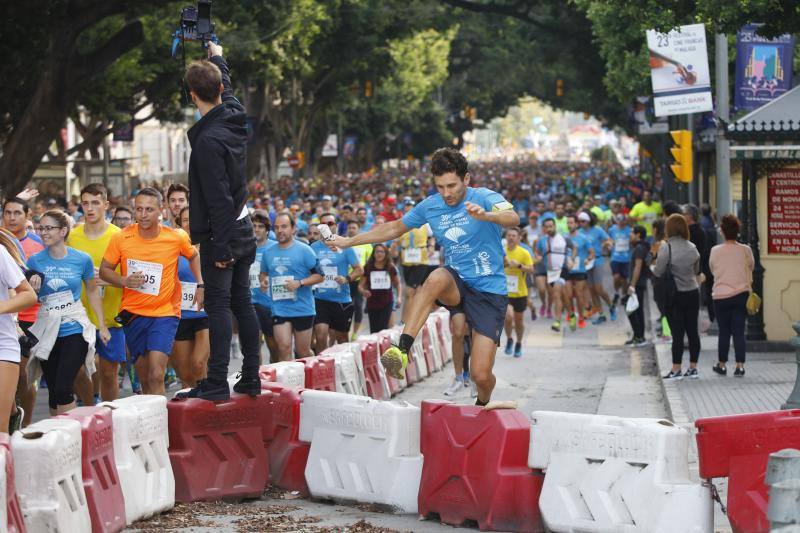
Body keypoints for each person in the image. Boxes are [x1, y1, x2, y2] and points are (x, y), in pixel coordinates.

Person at [325, 148, 518, 406]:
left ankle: (483, 404)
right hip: (458, 282)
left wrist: (488, 215)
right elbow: (394, 227)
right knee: (436, 277)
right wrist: (350, 241)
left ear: (467, 179)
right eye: (440, 187)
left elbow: (513, 217)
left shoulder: (483, 197)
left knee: (481, 375)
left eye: (452, 185)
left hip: (489, 289)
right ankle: (402, 350)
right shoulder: (431, 206)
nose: (447, 193)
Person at [183, 41, 262, 400]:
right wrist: (217, 55)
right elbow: (226, 83)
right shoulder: (234, 112)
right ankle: (250, 376)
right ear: (217, 90)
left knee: (218, 306)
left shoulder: (207, 142)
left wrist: (223, 248)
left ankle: (217, 381)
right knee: (242, 302)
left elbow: (218, 200)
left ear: (190, 95)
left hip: (224, 232)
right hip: (244, 227)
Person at [100, 188, 203, 396]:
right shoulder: (121, 238)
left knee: (157, 373)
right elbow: (104, 270)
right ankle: (152, 420)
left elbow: (193, 256)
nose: (143, 214)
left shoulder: (175, 237)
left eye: (149, 209)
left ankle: (163, 425)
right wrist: (123, 280)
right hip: (134, 313)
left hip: (165, 313)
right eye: (139, 209)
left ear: (161, 211)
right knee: (144, 375)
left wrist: (200, 284)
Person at [27, 210, 110, 415]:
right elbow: (29, 297)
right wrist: (33, 289)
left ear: (63, 231)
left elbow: (91, 290)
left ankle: (75, 435)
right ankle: (58, 441)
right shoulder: (34, 261)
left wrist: (102, 325)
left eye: (49, 228)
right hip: (48, 328)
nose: (44, 232)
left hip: (74, 326)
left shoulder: (82, 259)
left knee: (65, 387)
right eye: (41, 228)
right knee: (55, 389)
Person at [67, 184, 126, 401]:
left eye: (95, 203)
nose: (90, 208)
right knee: (75, 370)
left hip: (110, 317)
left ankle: (110, 417)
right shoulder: (72, 237)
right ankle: (92, 408)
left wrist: (107, 280)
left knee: (109, 374)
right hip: (78, 317)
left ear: (106, 205)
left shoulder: (119, 236)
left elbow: (129, 280)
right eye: (85, 203)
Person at [3, 197, 44, 425]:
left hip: (24, 321)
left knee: (23, 375)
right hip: (14, 318)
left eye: (17, 213)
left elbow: (28, 292)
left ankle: (22, 421)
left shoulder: (7, 250)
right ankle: (12, 414)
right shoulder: (5, 241)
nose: (11, 218)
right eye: (7, 213)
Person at [260, 213, 323, 360]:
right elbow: (263, 274)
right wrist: (264, 281)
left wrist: (299, 283)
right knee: (283, 348)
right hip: (279, 308)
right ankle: (290, 382)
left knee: (303, 352)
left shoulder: (305, 250)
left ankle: (311, 375)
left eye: (284, 226)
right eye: (277, 227)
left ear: (293, 228)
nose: (280, 230)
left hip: (303, 308)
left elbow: (320, 276)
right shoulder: (268, 253)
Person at [655, 214, 701, 380]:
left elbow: (658, 271)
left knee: (677, 333)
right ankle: (694, 368)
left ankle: (676, 369)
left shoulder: (666, 248)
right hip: (692, 292)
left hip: (675, 295)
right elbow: (696, 271)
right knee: (693, 332)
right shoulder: (692, 247)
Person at [0, 231, 37, 433]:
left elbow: (28, 295)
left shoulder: (0, 253)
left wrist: (1, 307)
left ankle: (11, 415)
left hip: (2, 345)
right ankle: (13, 410)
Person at [709, 215, 754, 377]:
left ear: (722, 231)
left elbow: (713, 268)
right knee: (739, 331)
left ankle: (721, 364)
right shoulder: (745, 250)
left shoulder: (715, 251)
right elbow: (752, 266)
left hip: (720, 296)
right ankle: (740, 365)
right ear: (737, 231)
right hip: (741, 294)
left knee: (724, 331)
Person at [311, 213, 362, 349]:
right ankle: (322, 367)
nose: (327, 227)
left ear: (336, 226)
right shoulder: (313, 247)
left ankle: (344, 368)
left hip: (341, 300)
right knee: (321, 336)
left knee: (342, 340)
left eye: (330, 223)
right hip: (320, 299)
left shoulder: (345, 245)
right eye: (323, 224)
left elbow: (359, 270)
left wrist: (346, 278)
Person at [172, 207, 210, 387]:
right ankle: (191, 409)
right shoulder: (172, 248)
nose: (189, 224)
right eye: (185, 220)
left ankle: (206, 405)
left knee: (198, 364)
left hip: (205, 314)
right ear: (179, 224)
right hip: (181, 314)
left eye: (193, 219)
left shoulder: (211, 246)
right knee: (186, 374)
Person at [534, 217, 574, 332]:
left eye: (551, 226)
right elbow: (537, 252)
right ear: (544, 228)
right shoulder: (542, 240)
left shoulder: (564, 237)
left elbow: (572, 248)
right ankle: (571, 314)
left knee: (556, 294)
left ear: (555, 226)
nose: (549, 228)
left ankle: (557, 321)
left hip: (563, 268)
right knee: (563, 295)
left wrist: (571, 259)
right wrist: (537, 258)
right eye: (546, 227)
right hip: (551, 271)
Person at [251, 211, 279, 363]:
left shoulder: (275, 248)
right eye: (254, 226)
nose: (256, 229)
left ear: (267, 230)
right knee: (253, 346)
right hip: (249, 303)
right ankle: (258, 378)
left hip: (270, 304)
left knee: (273, 345)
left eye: (260, 226)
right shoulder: (245, 247)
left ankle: (274, 373)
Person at [502, 226, 533, 357]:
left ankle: (519, 342)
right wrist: (505, 264)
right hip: (505, 292)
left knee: (519, 321)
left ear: (519, 238)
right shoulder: (502, 251)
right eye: (509, 235)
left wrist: (519, 266)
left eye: (514, 236)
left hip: (520, 292)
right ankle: (509, 339)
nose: (511, 238)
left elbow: (531, 270)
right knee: (508, 318)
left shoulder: (524, 253)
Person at [359, 244, 400, 333]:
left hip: (387, 302)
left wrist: (399, 297)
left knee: (383, 328)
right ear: (374, 254)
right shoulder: (368, 267)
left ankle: (384, 346)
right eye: (377, 252)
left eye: (382, 252)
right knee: (374, 330)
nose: (379, 254)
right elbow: (360, 286)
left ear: (386, 254)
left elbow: (397, 284)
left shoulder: (391, 267)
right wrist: (363, 291)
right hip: (372, 303)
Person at [396, 222, 430, 325]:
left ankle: (404, 321)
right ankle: (417, 316)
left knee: (409, 291)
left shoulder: (425, 224)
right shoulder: (403, 223)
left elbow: (432, 236)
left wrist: (432, 245)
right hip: (406, 261)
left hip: (420, 261)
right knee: (416, 291)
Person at [565, 215, 594, 331]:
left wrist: (588, 259)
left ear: (576, 224)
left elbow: (592, 253)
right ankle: (571, 314)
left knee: (579, 294)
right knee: (567, 295)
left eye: (571, 223)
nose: (569, 225)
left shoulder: (583, 238)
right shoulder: (564, 237)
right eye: (568, 223)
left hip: (580, 269)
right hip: (567, 269)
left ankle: (581, 317)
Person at [625, 225, 650, 347]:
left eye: (632, 233)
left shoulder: (640, 248)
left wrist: (632, 285)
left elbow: (638, 267)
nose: (630, 235)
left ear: (638, 234)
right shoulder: (642, 246)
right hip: (639, 283)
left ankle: (640, 337)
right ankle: (637, 336)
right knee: (635, 310)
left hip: (638, 284)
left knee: (634, 311)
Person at [346, 220, 371, 339]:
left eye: (354, 227)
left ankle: (355, 334)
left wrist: (366, 280)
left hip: (359, 280)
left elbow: (369, 262)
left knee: (358, 307)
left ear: (358, 229)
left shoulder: (366, 244)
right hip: (345, 280)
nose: (351, 229)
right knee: (347, 307)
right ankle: (345, 331)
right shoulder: (343, 242)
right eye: (349, 227)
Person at [608, 214, 632, 307]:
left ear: (625, 221)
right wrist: (609, 245)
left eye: (623, 221)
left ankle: (624, 296)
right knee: (616, 277)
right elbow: (608, 239)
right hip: (615, 258)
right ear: (616, 221)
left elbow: (633, 241)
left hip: (626, 258)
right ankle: (616, 293)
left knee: (624, 279)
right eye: (619, 221)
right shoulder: (612, 230)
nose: (621, 223)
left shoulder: (629, 230)